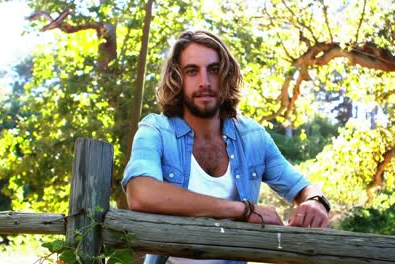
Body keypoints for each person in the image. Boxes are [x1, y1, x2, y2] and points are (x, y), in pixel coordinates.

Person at [122, 30, 330, 264]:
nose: (204, 82)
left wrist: (316, 202)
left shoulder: (252, 137)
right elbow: (141, 194)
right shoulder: (156, 130)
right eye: (192, 71)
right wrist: (243, 210)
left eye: (213, 70)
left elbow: (301, 186)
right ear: (177, 78)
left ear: (227, 76)